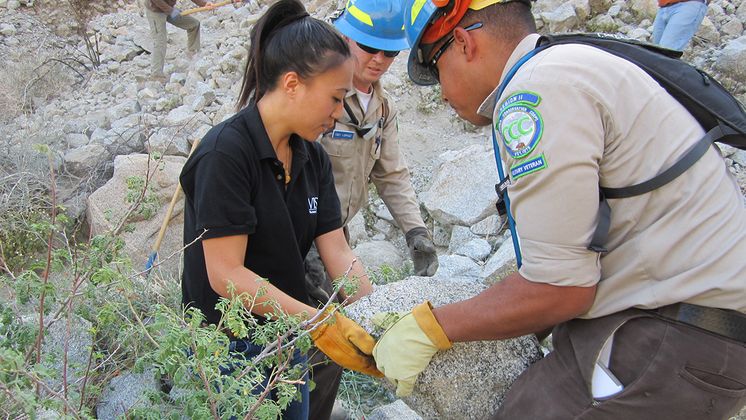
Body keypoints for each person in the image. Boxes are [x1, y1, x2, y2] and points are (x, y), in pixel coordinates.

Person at [372, 0, 746, 418]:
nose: (441, 92)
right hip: (685, 328)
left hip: (668, 336)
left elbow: (560, 288)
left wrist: (430, 328)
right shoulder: (568, 66)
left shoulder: (537, 91)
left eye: (436, 69)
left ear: (463, 42)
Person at [179, 1, 382, 418]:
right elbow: (226, 275)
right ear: (292, 83)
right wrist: (323, 323)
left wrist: (378, 318)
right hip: (226, 349)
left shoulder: (312, 157)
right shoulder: (225, 154)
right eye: (335, 98)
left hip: (287, 336)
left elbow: (338, 251)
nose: (338, 113)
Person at [302, 1, 438, 418]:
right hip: (298, 236)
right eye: (369, 48)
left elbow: (391, 174)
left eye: (390, 52)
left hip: (335, 235)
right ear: (346, 38)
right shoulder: (318, 98)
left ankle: (317, 409)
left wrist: (416, 232)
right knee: (315, 333)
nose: (379, 59)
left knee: (338, 335)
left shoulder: (381, 108)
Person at [143, 0, 215, 80]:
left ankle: (193, 54)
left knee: (194, 24)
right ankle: (156, 75)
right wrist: (170, 11)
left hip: (169, 8)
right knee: (160, 42)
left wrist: (204, 4)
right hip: (155, 10)